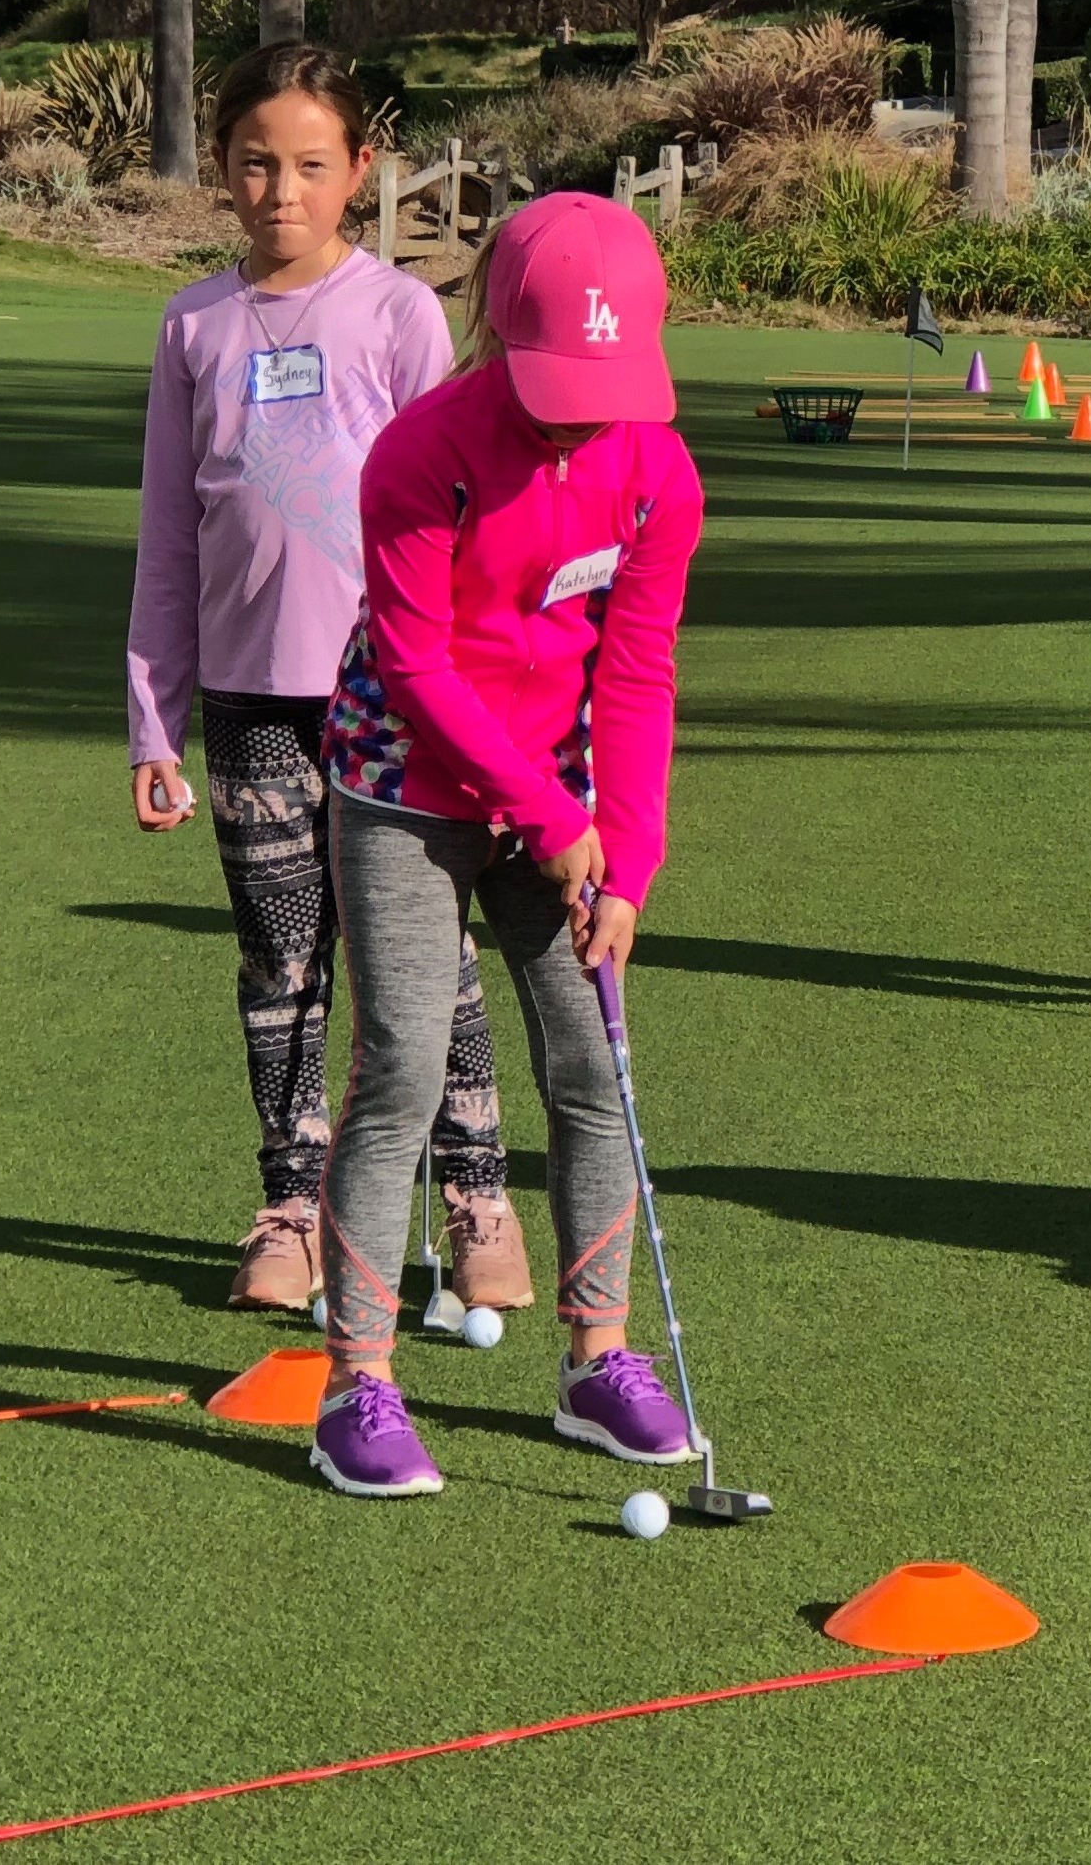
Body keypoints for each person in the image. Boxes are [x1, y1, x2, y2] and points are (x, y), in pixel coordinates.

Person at [305, 193, 705, 1499]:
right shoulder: (423, 455)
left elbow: (636, 676)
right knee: (406, 1068)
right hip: (407, 777)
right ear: (494, 328)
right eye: (557, 384)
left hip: (568, 792)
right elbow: (415, 662)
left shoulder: (658, 472)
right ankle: (356, 1386)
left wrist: (626, 864)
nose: (581, 413)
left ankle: (599, 1364)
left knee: (590, 1065)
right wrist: (546, 815)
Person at [126, 42, 524, 1316]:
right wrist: (153, 721)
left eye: (309, 165)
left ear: (359, 170)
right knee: (282, 962)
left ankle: (475, 1197)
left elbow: (456, 523)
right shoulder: (192, 325)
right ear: (223, 170)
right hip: (248, 705)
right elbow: (169, 538)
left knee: (425, 963)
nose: (279, 191)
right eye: (254, 164)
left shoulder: (401, 315)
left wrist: (471, 702)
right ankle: (291, 1210)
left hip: (396, 702)